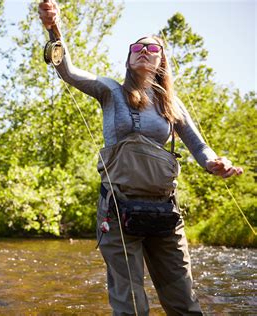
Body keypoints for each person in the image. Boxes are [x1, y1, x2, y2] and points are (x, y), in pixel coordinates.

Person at [38, 1, 243, 315]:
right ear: (129, 57)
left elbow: (201, 149)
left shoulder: (172, 105)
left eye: (152, 48)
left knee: (184, 303)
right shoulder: (109, 90)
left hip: (166, 212)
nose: (144, 50)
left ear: (161, 60)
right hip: (118, 209)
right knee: (131, 305)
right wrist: (54, 28)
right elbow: (66, 70)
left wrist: (216, 164)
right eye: (137, 46)